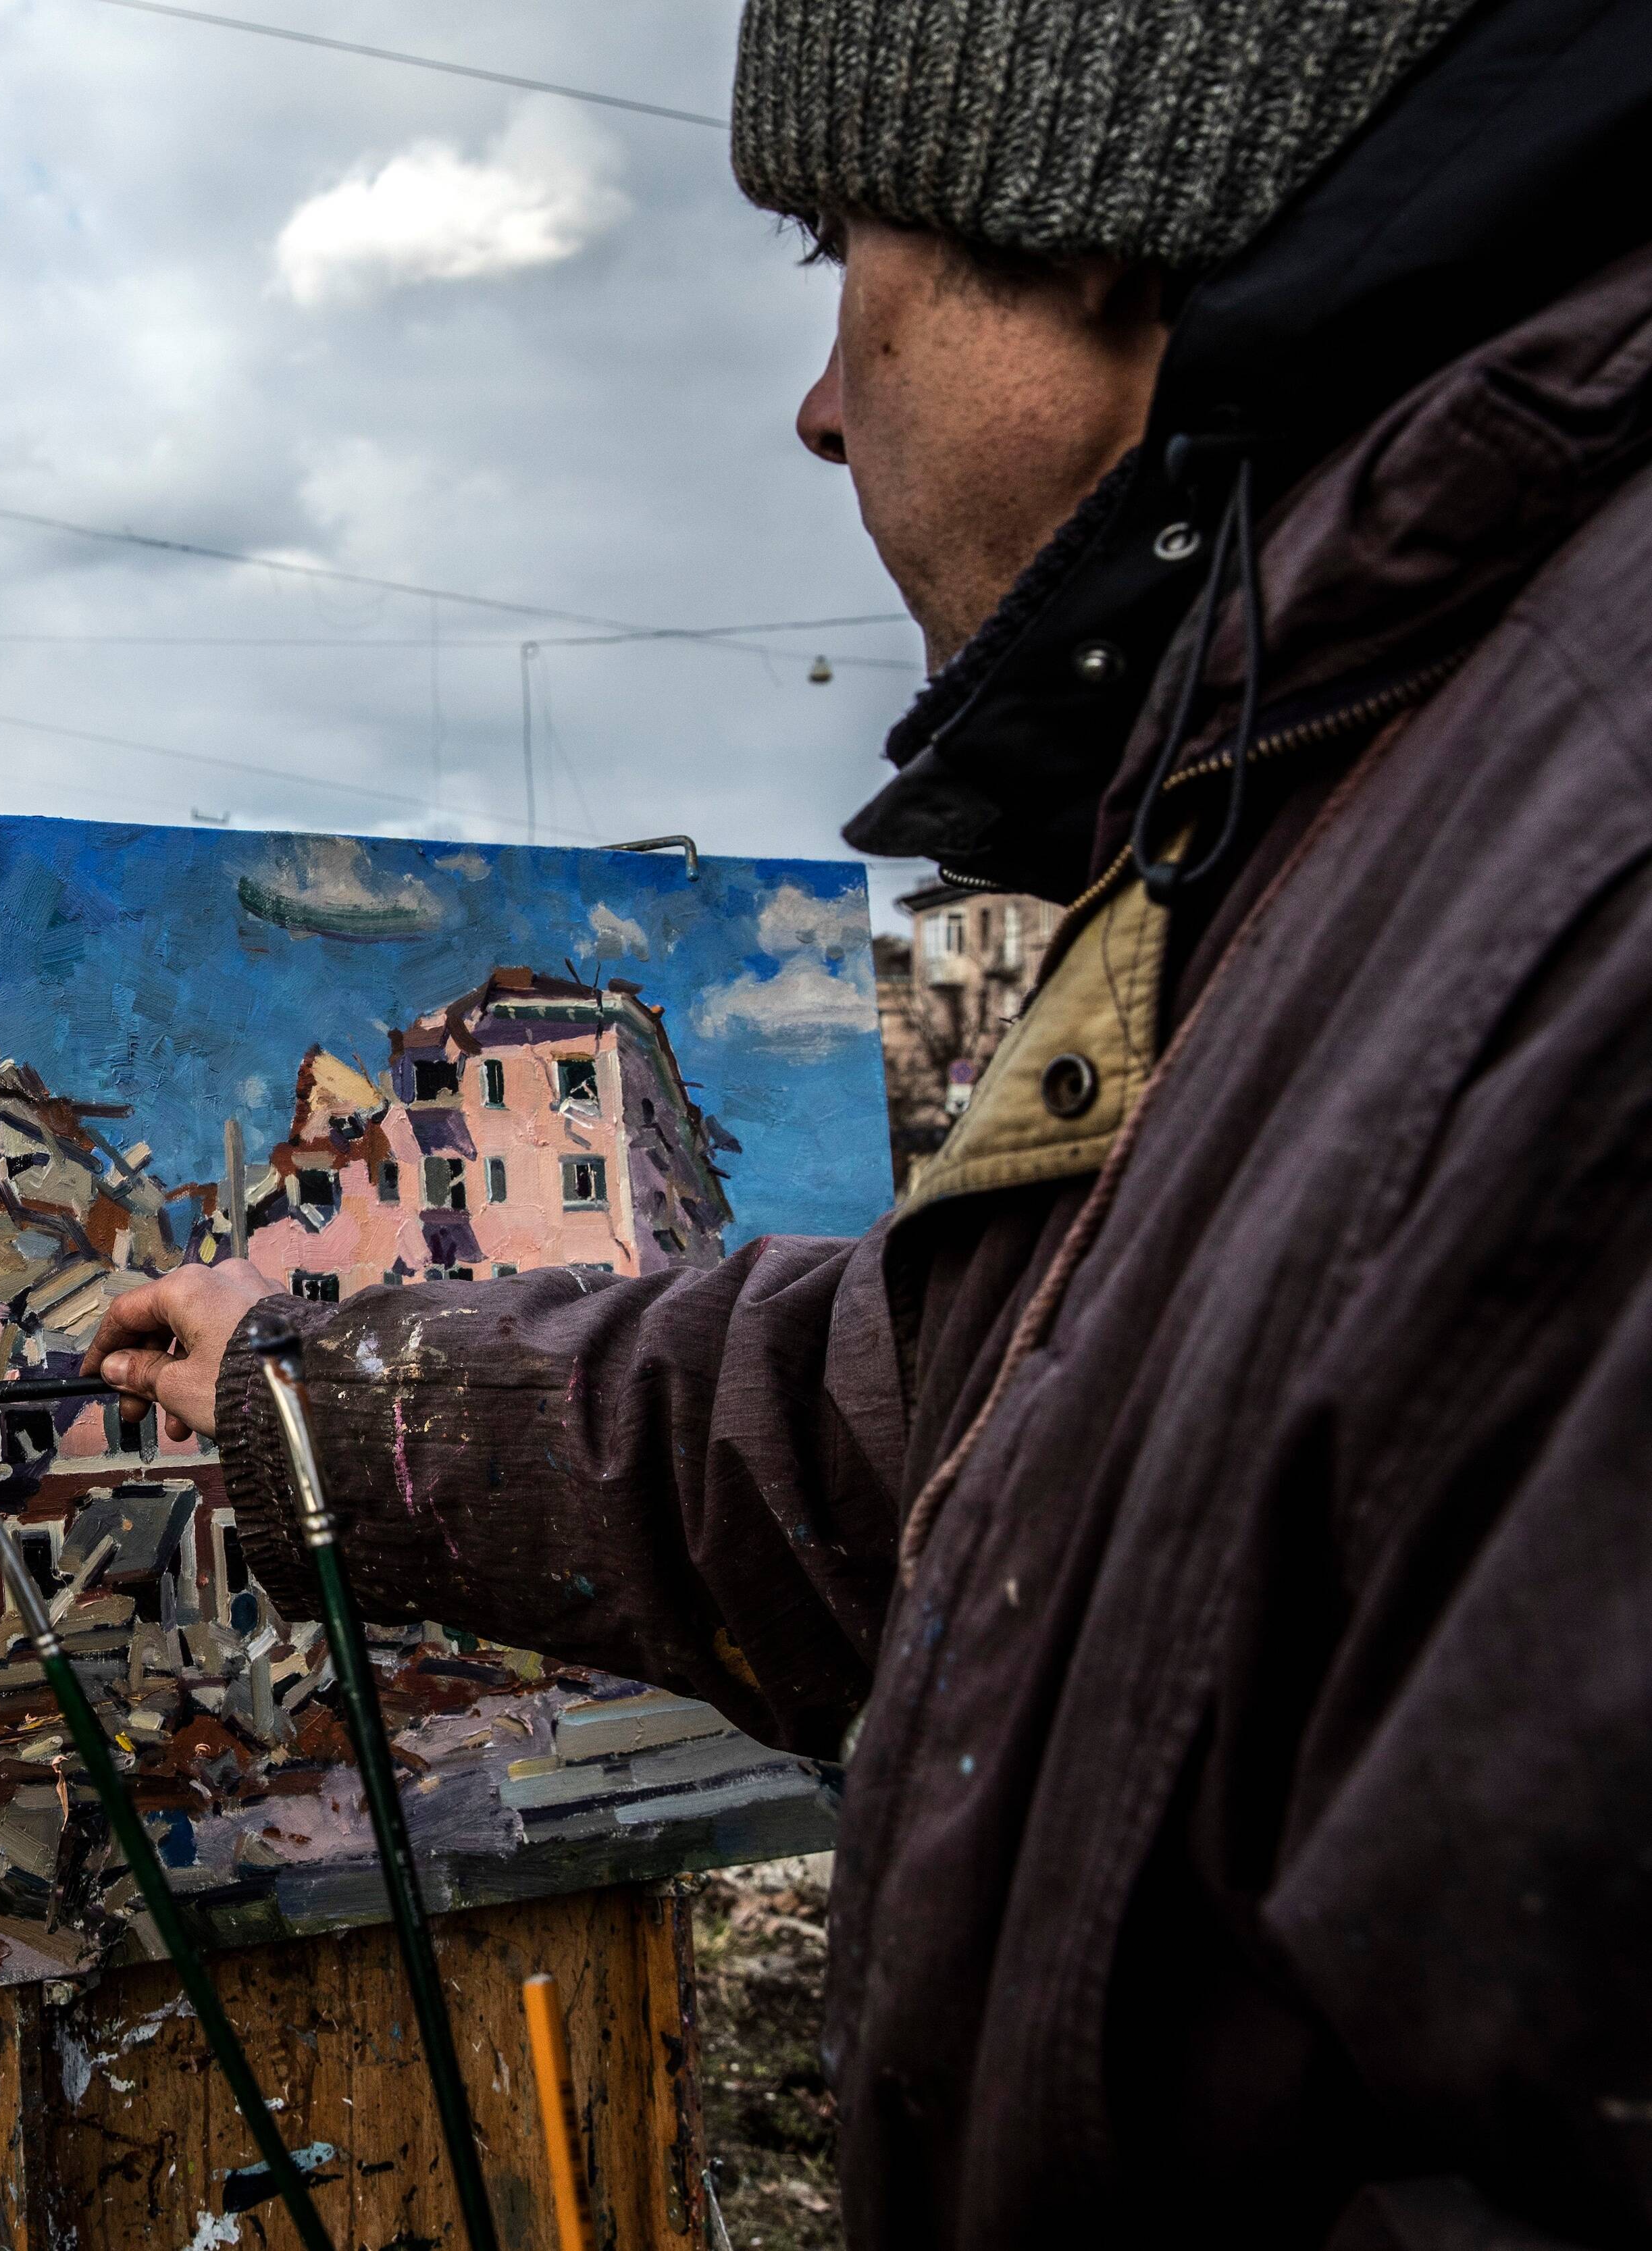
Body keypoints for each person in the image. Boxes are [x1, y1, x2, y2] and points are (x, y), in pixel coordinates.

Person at [92, 2, 1652, 2243]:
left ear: (1102, 210)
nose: (821, 403)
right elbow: (941, 1428)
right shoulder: (1374, 776)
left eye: (842, 248)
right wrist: (309, 1385)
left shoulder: (1569, 834)